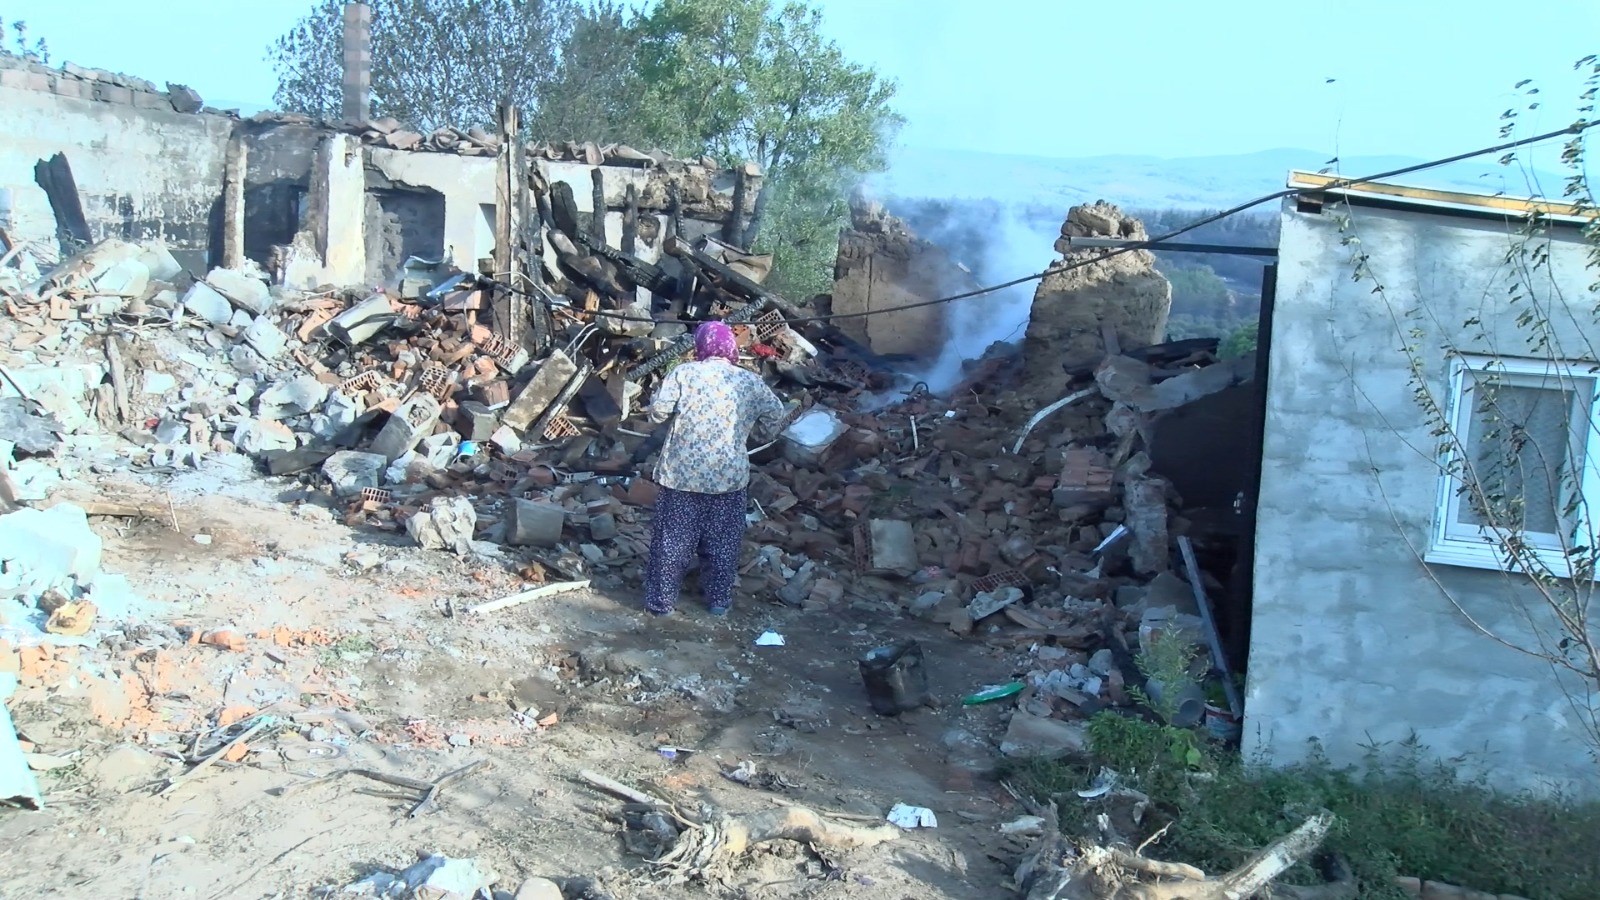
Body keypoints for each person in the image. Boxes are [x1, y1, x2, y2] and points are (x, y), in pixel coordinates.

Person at [643, 321, 786, 617]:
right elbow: (776, 417)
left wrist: (656, 404)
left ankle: (661, 605)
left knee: (672, 542)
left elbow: (658, 413)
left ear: (701, 346)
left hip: (681, 476)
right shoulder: (751, 381)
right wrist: (755, 433)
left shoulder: (684, 373)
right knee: (722, 544)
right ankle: (718, 603)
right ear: (731, 349)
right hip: (729, 478)